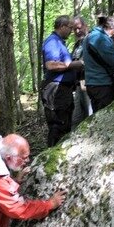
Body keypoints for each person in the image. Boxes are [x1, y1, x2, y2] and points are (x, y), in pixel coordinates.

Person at [42, 15, 84, 146]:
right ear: (62, 27)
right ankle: (51, 157)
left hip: (63, 90)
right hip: (56, 90)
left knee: (64, 124)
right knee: (58, 125)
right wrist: (74, 64)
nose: (72, 31)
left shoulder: (59, 42)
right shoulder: (52, 42)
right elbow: (51, 65)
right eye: (70, 28)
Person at [82, 15, 114, 113]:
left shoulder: (89, 36)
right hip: (102, 85)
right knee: (106, 116)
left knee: (97, 116)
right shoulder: (100, 38)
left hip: (93, 84)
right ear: (111, 28)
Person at [70, 16, 92, 128]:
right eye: (74, 29)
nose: (77, 31)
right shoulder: (77, 45)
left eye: (79, 28)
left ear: (85, 25)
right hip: (78, 85)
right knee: (76, 119)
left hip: (89, 83)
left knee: (90, 116)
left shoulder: (92, 39)